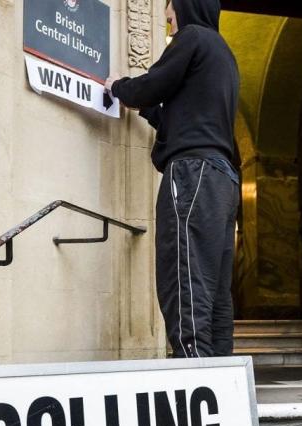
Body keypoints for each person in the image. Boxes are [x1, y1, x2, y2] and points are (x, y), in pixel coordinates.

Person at [106, 0, 240, 358]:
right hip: (222, 179)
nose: (166, 15)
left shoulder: (192, 36)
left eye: (169, 6)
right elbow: (184, 120)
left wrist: (117, 86)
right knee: (214, 290)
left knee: (184, 277)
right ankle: (220, 380)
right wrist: (146, 108)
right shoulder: (224, 56)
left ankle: (194, 375)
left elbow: (151, 85)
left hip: (193, 174)